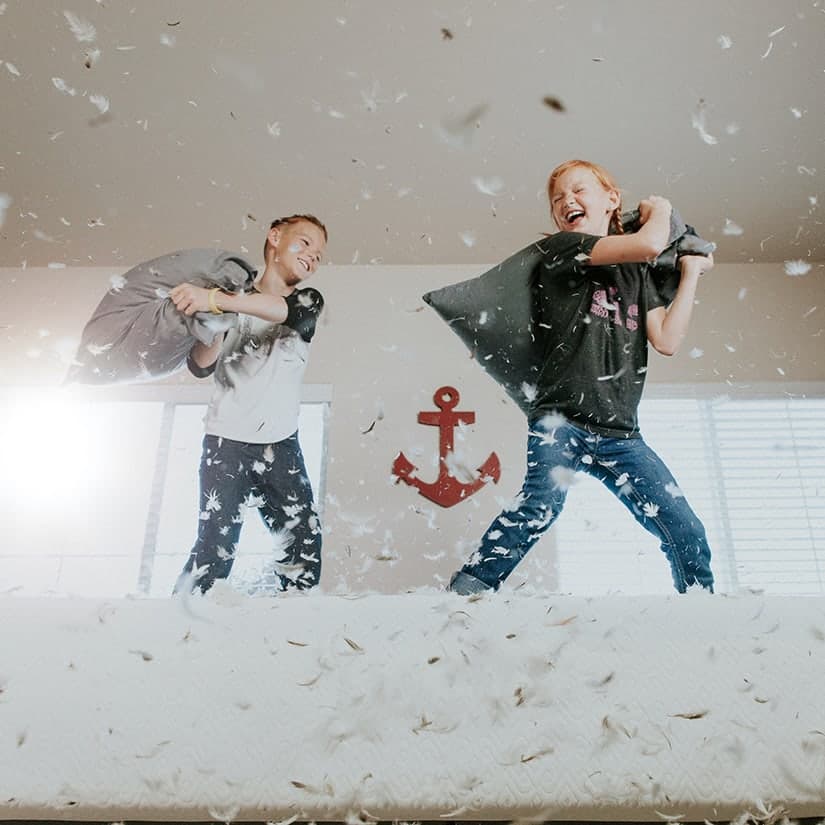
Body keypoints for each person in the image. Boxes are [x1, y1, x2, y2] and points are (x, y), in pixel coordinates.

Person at [448, 160, 715, 595]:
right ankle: (463, 594)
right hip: (560, 420)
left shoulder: (638, 274)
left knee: (683, 527)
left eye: (578, 191)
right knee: (540, 504)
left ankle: (704, 606)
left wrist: (688, 275)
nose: (566, 201)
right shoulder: (563, 248)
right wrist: (661, 209)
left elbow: (666, 339)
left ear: (611, 200)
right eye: (557, 199)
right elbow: (649, 242)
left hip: (621, 433)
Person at [172, 214, 328, 595]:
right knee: (215, 551)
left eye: (320, 254)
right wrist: (215, 317)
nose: (313, 256)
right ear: (275, 237)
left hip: (280, 446)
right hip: (225, 444)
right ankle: (176, 626)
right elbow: (200, 365)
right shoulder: (229, 298)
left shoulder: (306, 300)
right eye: (305, 243)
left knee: (304, 551)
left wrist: (216, 299)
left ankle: (288, 630)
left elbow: (285, 313)